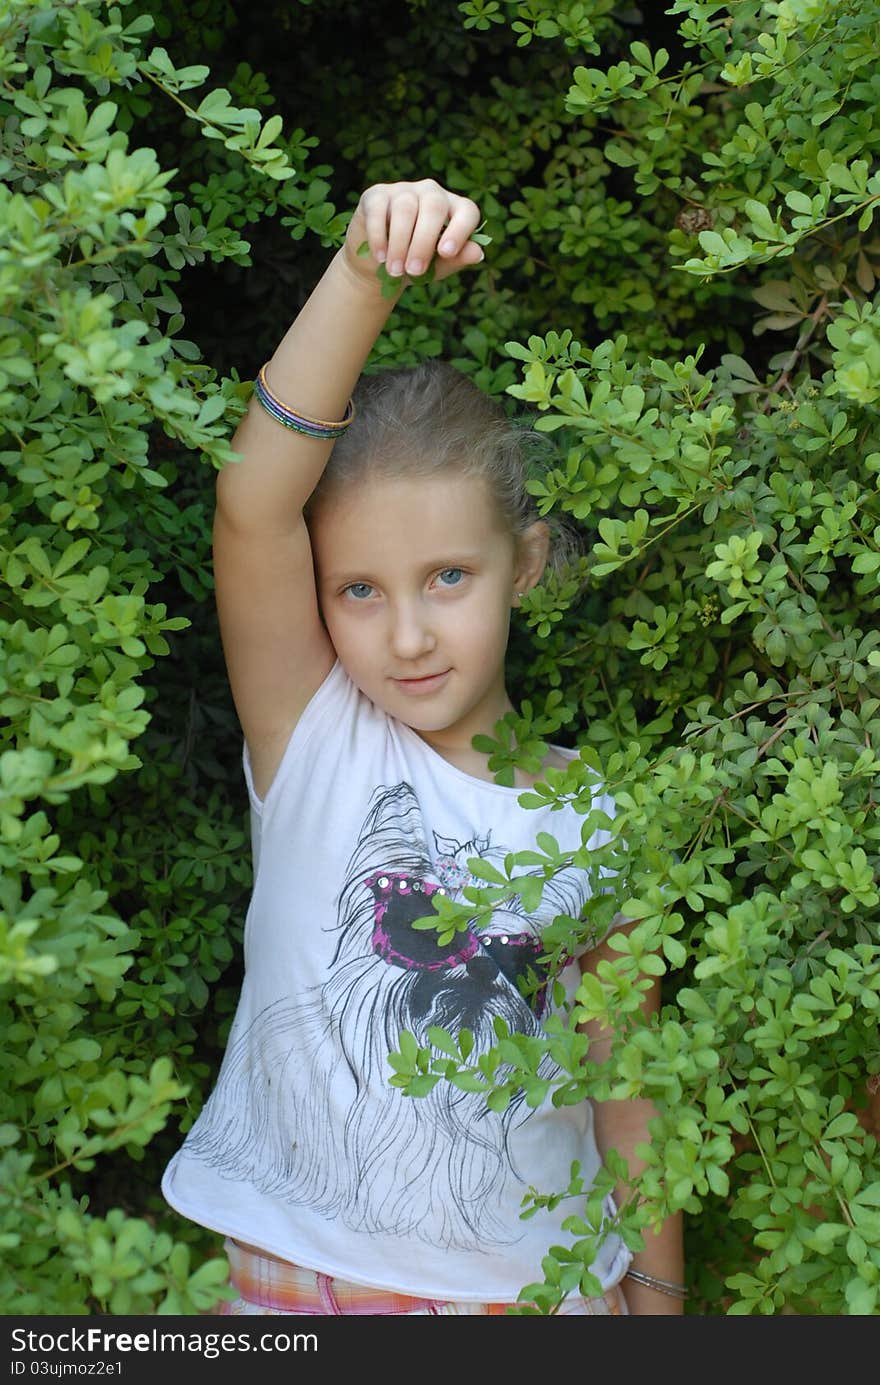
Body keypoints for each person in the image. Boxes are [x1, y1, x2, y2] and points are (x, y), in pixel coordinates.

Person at [161, 178, 684, 1316]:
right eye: (358, 589)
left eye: (448, 576)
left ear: (527, 563)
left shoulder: (595, 814)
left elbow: (628, 1079)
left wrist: (655, 1296)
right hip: (298, 1283)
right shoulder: (314, 736)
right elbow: (253, 504)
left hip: (535, 1296)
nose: (406, 634)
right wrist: (361, 271)